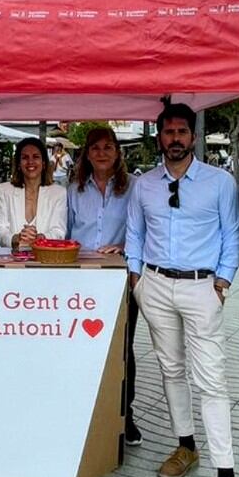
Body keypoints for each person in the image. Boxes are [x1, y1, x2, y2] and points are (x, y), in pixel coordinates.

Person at [125, 102, 239, 477]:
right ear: (159, 136)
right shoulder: (144, 185)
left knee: (212, 379)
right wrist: (135, 278)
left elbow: (231, 235)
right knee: (170, 368)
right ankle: (186, 445)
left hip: (202, 287)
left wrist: (221, 282)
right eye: (169, 132)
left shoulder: (219, 182)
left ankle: (226, 476)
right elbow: (135, 233)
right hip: (156, 284)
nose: (176, 138)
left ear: (193, 137)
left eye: (183, 131)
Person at [67, 126, 141, 445]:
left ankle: (126, 414)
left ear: (117, 152)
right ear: (86, 152)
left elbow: (144, 231)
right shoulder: (73, 188)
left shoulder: (135, 188)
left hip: (119, 278)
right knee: (79, 347)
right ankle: (83, 411)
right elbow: (65, 232)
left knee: (122, 349)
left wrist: (123, 245)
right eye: (95, 147)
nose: (101, 153)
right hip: (79, 279)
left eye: (108, 147)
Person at [0, 137, 67, 251]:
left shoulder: (58, 193)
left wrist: (40, 238)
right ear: (18, 164)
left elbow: (59, 230)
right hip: (13, 262)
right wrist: (15, 238)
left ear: (44, 163)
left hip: (46, 260)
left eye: (36, 157)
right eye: (25, 157)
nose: (30, 161)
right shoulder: (4, 190)